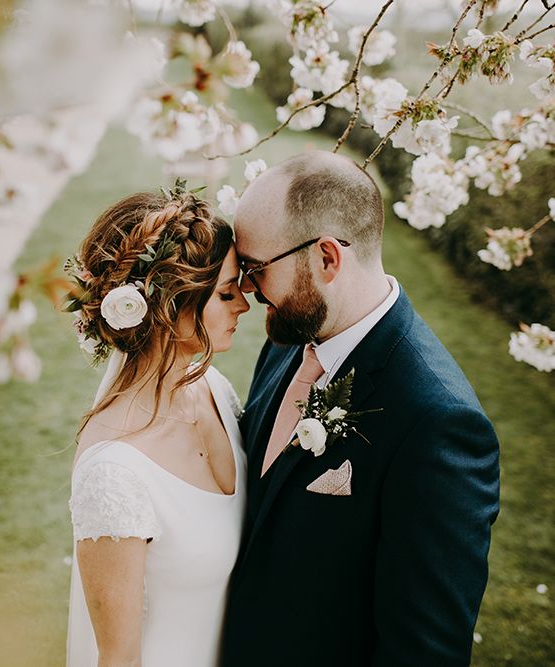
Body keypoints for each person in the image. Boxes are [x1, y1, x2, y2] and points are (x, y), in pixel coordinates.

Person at [220, 151, 500, 666]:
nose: (245, 291)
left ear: (327, 257)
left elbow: (423, 651)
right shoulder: (289, 340)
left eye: (256, 270)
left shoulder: (437, 423)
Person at [65, 186, 250, 667]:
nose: (243, 306)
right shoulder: (115, 474)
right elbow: (117, 657)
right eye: (227, 292)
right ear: (173, 305)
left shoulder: (216, 391)